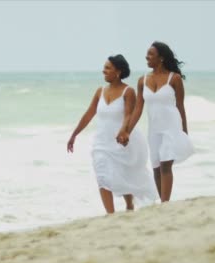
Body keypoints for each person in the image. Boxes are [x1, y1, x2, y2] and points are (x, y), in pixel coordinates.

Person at [67, 55, 157, 214]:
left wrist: (123, 130)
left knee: (124, 173)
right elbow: (89, 114)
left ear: (118, 71)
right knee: (102, 176)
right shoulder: (100, 91)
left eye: (108, 68)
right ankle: (110, 214)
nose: (104, 70)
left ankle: (129, 205)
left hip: (121, 140)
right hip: (101, 143)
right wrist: (74, 134)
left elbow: (128, 115)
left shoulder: (128, 91)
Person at [117, 42, 194, 202]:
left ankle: (165, 204)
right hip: (154, 129)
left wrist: (184, 132)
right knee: (156, 167)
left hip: (171, 127)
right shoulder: (142, 81)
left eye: (151, 54)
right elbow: (137, 109)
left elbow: (180, 107)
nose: (147, 57)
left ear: (161, 58)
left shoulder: (175, 79)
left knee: (166, 164)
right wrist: (127, 131)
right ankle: (163, 202)